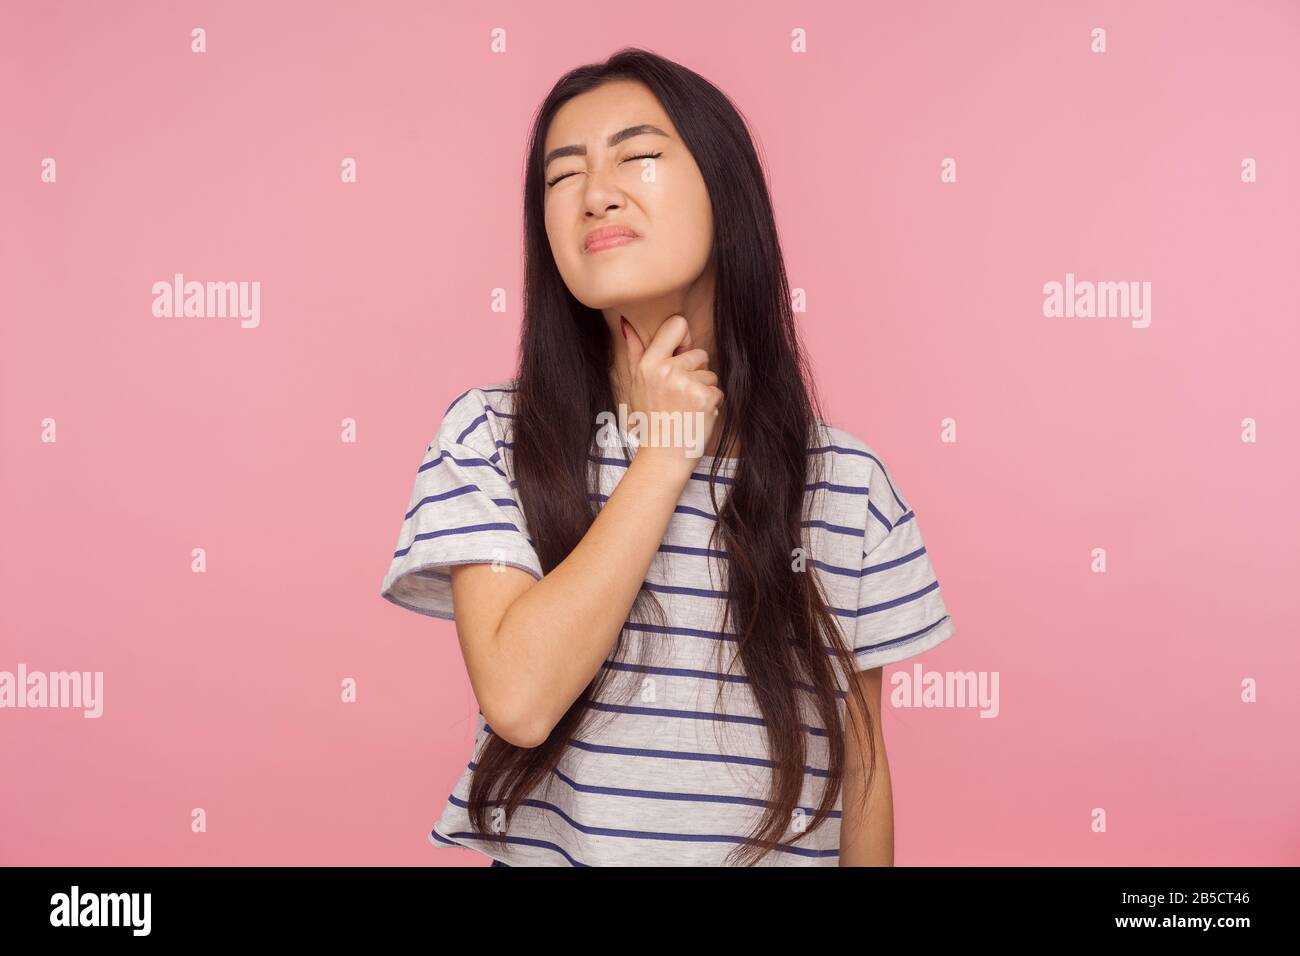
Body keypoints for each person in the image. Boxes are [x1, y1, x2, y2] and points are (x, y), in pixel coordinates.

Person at [380, 48, 956, 867]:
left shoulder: (848, 487)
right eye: (562, 175)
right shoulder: (489, 437)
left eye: (638, 156)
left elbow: (860, 771)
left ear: (726, 192)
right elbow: (520, 700)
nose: (596, 194)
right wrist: (663, 459)